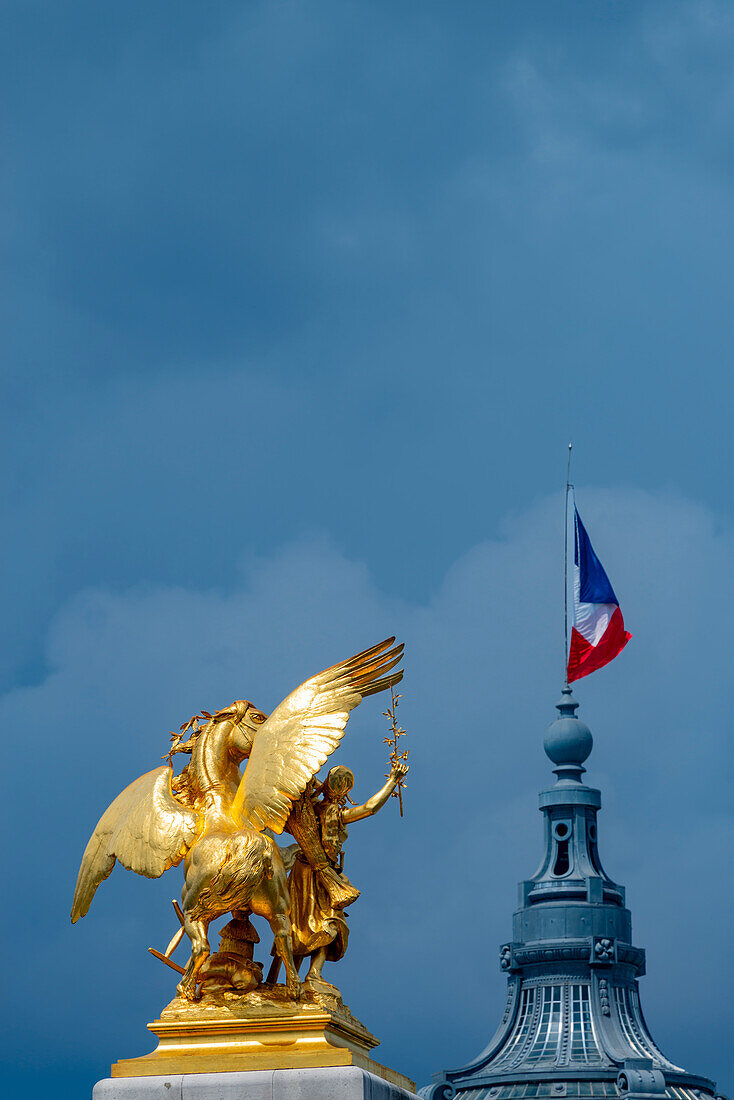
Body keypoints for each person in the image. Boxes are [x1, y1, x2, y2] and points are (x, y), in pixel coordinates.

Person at [289, 760, 408, 987]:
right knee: (328, 921)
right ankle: (312, 974)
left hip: (303, 870)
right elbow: (369, 808)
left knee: (301, 924)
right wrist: (392, 782)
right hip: (320, 873)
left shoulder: (311, 808)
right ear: (343, 790)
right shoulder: (332, 812)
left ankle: (293, 976)